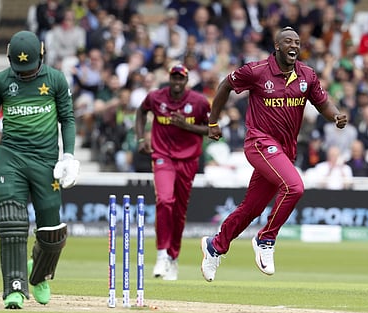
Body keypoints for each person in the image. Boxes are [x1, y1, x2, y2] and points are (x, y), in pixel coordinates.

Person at [200, 27, 348, 282]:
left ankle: (215, 246)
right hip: (259, 142)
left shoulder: (306, 75)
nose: (294, 45)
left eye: (297, 42)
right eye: (288, 41)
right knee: (295, 187)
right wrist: (213, 123)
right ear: (277, 46)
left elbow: (322, 103)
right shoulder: (256, 71)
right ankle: (265, 239)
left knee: (251, 208)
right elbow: (225, 85)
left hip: (284, 151)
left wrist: (335, 115)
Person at [0, 30, 80, 309]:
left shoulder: (56, 79)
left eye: (29, 68)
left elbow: (68, 118)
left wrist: (69, 155)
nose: (23, 74)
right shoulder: (1, 80)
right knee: (11, 222)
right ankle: (14, 288)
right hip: (11, 157)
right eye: (18, 68)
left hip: (47, 160)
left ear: (42, 55)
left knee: (52, 231)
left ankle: (39, 275)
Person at [135, 63, 211, 281]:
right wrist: (141, 138)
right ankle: (161, 254)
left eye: (181, 79)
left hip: (188, 159)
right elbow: (141, 112)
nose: (177, 82)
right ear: (169, 78)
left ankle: (173, 257)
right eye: (174, 78)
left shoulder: (199, 102)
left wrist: (187, 126)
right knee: (164, 201)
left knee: (178, 211)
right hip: (162, 156)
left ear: (186, 81)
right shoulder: (156, 97)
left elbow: (214, 129)